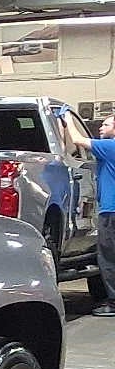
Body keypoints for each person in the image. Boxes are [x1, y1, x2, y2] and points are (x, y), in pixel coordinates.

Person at [61, 110, 115, 316]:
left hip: (111, 211)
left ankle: (113, 302)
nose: (101, 128)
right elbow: (72, 148)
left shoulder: (110, 146)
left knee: (108, 258)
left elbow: (77, 139)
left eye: (106, 125)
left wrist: (67, 117)